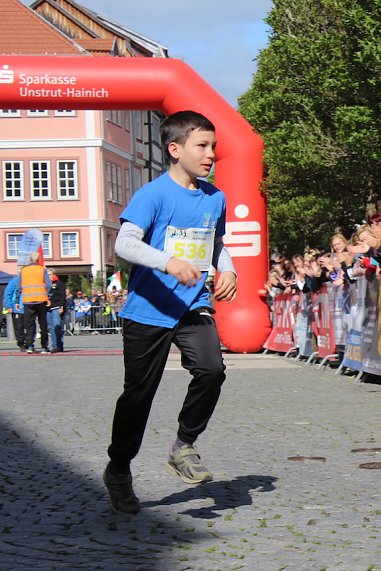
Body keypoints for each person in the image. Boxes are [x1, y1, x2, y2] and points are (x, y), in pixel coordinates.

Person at [103, 110, 238, 515]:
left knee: (212, 369)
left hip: (193, 305)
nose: (211, 153)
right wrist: (167, 262)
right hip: (148, 309)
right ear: (175, 149)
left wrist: (227, 267)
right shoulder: (153, 194)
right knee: (138, 396)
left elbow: (215, 245)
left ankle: (184, 445)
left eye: (213, 146)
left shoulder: (215, 197)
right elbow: (124, 245)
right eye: (202, 145)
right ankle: (119, 468)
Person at [19, 251, 51, 354]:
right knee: (43, 324)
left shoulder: (23, 271)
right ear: (38, 260)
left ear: (29, 259)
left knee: (29, 325)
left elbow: (19, 287)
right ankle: (44, 347)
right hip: (41, 299)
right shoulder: (42, 270)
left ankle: (29, 346)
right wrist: (48, 296)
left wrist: (17, 300)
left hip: (27, 301)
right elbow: (48, 285)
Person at [2, 272, 25, 351]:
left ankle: (29, 344)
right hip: (17, 309)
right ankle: (22, 344)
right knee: (19, 328)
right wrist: (9, 306)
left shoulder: (30, 281)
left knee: (30, 327)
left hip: (29, 307)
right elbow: (8, 294)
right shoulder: (14, 281)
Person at [46, 268, 65, 352]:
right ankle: (54, 346)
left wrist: (61, 306)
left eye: (49, 274)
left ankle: (59, 345)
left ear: (54, 275)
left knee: (57, 326)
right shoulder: (45, 284)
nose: (48, 276)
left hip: (56, 307)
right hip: (47, 308)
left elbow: (62, 296)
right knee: (50, 328)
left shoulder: (59, 284)